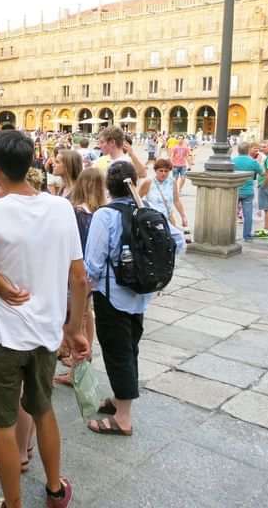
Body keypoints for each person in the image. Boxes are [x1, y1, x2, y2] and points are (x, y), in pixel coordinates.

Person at [0, 130, 90, 508]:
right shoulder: (60, 208)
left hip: (3, 336)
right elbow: (79, 278)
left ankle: (12, 504)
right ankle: (56, 490)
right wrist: (72, 330)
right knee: (43, 411)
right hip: (45, 335)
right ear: (31, 164)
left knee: (3, 424)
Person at [84, 161, 184, 438]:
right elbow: (178, 242)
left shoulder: (105, 215)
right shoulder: (146, 209)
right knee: (129, 347)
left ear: (109, 186)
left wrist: (82, 297)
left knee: (117, 353)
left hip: (111, 295)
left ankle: (123, 418)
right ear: (133, 184)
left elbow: (92, 264)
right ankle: (120, 399)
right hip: (140, 294)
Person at [53, 167, 105, 387]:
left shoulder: (77, 213)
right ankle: (83, 361)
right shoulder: (101, 212)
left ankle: (76, 367)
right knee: (85, 315)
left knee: (72, 320)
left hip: (74, 275)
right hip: (93, 276)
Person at [138, 158, 189, 231]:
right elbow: (138, 199)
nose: (163, 173)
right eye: (161, 171)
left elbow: (176, 200)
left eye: (166, 171)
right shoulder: (148, 182)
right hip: (153, 220)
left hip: (168, 219)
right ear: (156, 171)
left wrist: (183, 216)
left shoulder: (172, 182)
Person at [232, 143, 264, 242]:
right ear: (248, 150)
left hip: (235, 190)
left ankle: (230, 235)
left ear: (238, 150)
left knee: (232, 214)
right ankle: (247, 236)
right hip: (248, 191)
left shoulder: (233, 161)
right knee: (248, 215)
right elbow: (262, 173)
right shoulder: (252, 161)